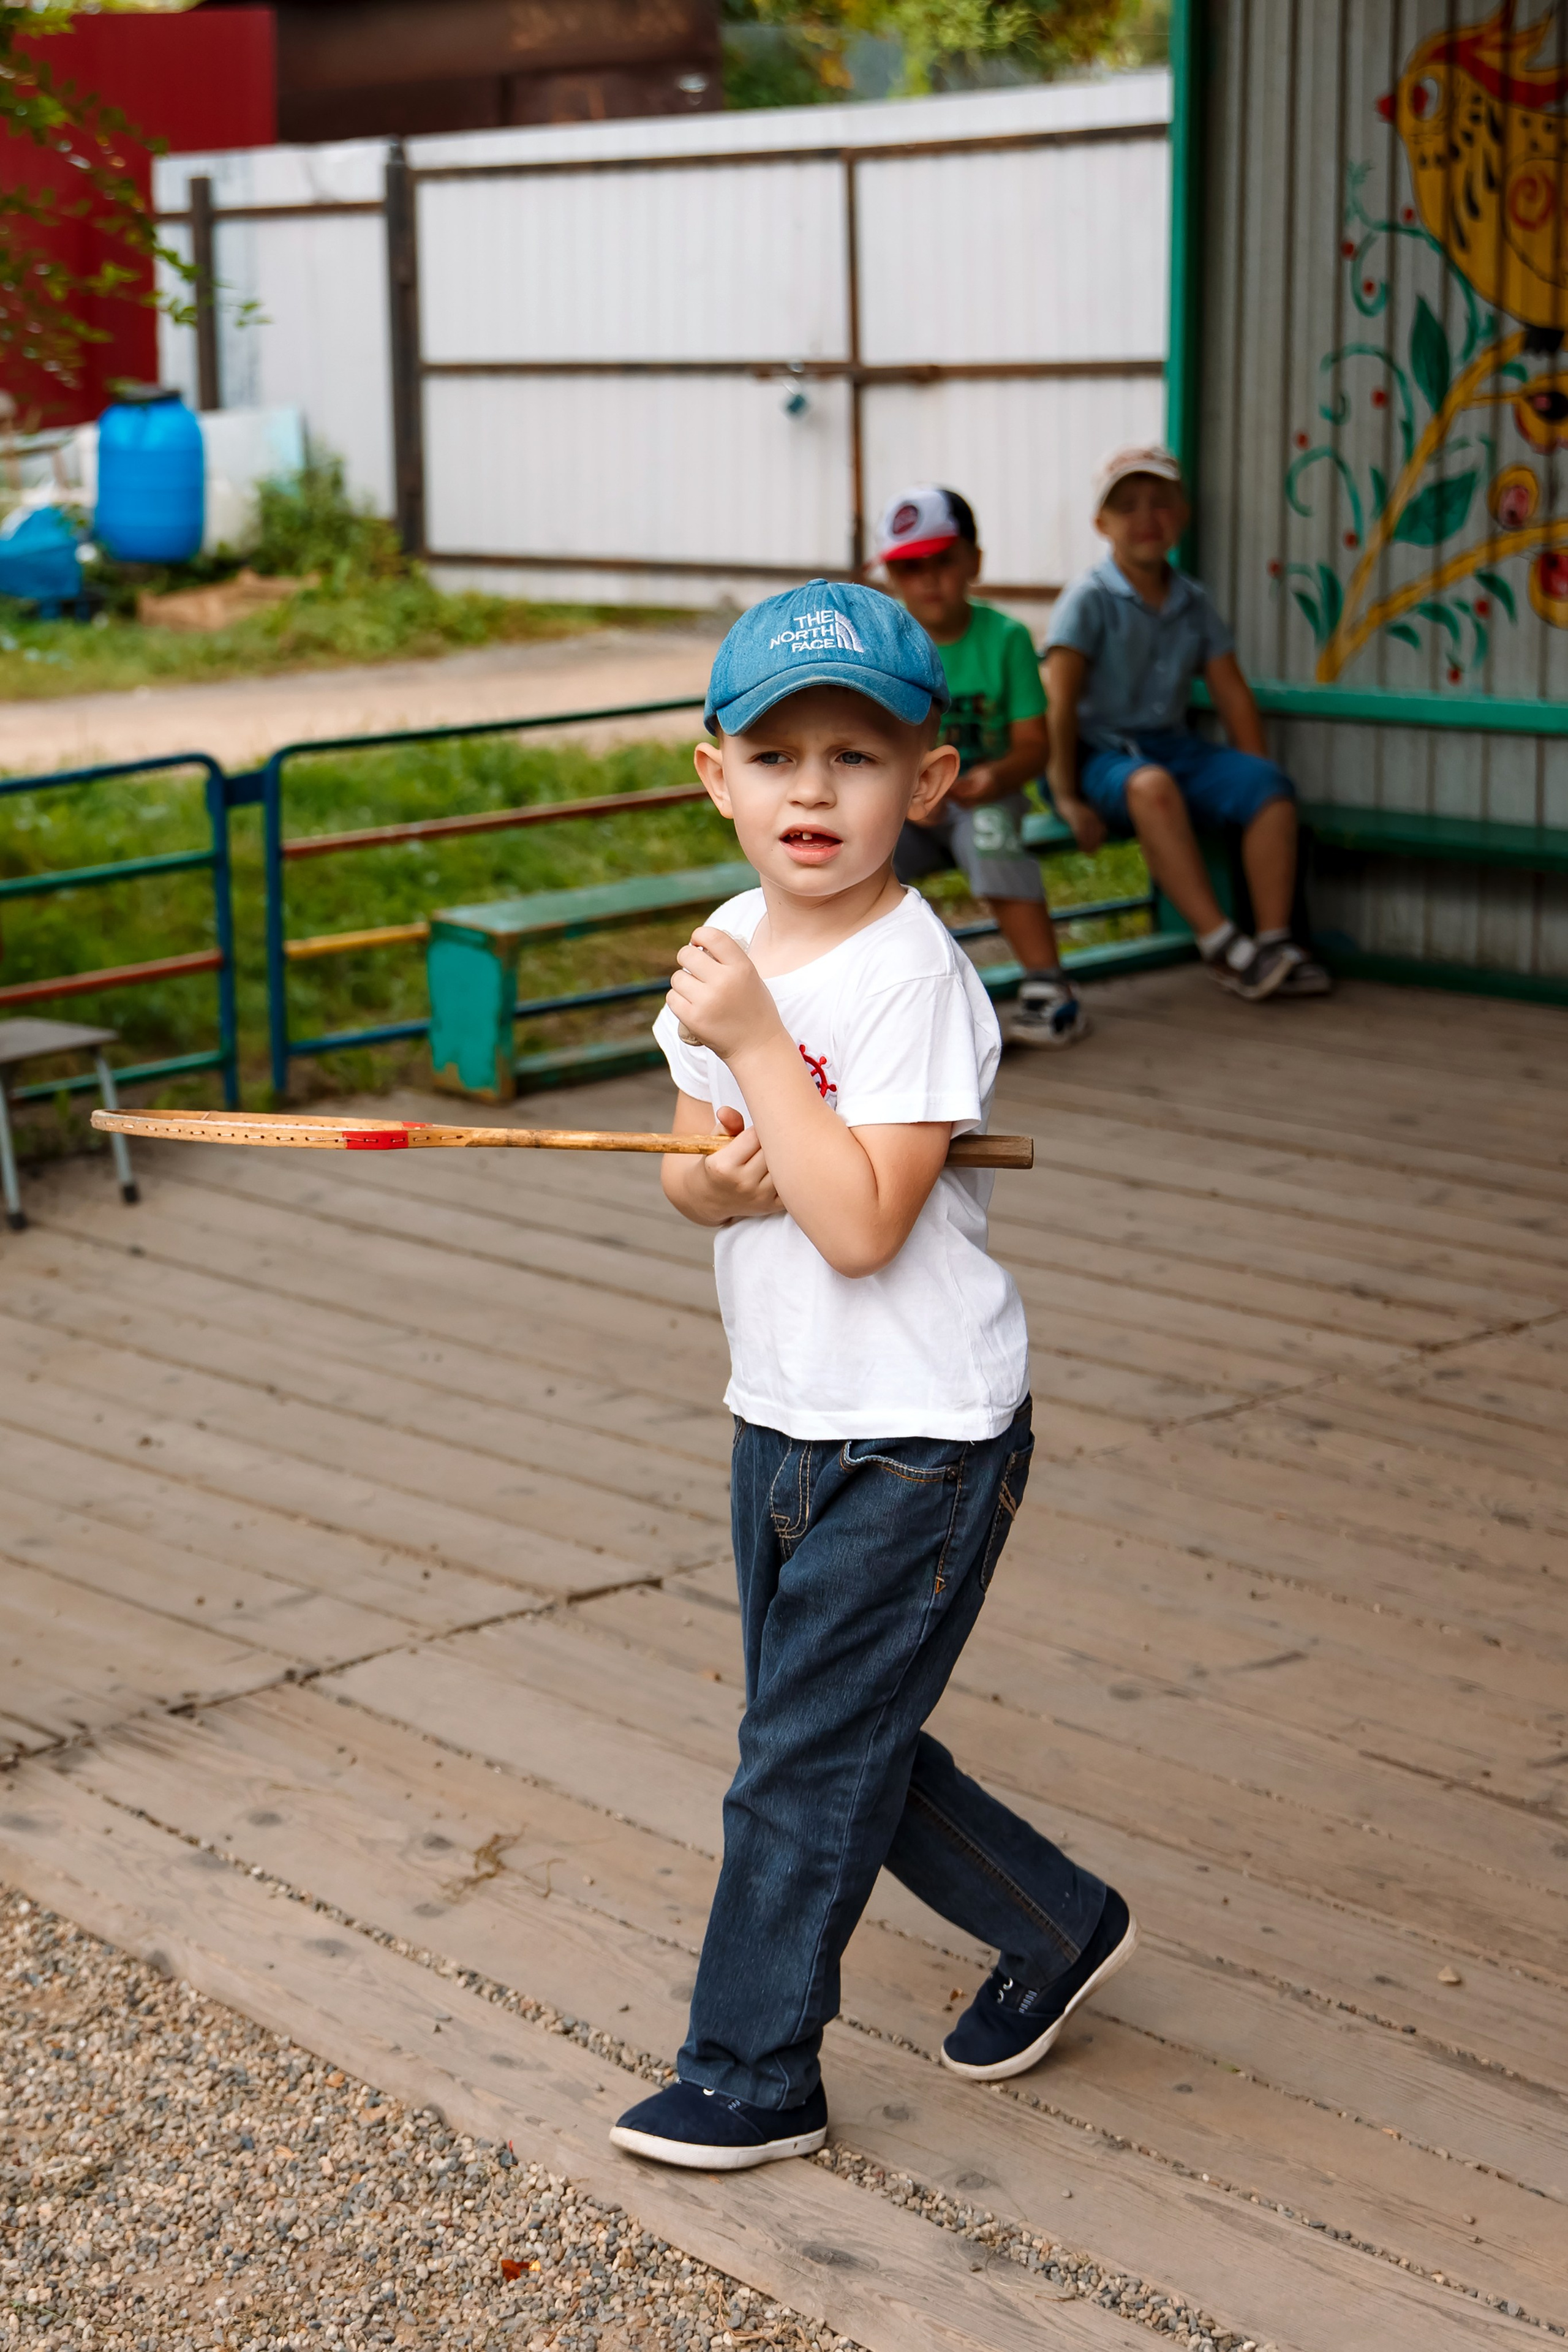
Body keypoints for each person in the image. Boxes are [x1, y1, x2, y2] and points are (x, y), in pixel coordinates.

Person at [608, 579, 1137, 2174]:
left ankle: (754, 2069)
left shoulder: (912, 977)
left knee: (801, 1759)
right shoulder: (724, 955)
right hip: (778, 1413)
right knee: (834, 1737)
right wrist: (716, 1173)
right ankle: (1061, 1921)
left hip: (918, 1434)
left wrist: (769, 1054)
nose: (815, 793)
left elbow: (859, 1227)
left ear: (931, 781)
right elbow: (695, 1169)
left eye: (858, 757)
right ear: (718, 777)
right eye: (778, 758)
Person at [1044, 446, 1331, 1001]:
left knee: (1269, 788)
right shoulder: (1088, 599)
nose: (1146, 518)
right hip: (1099, 756)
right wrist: (1066, 797)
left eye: (1160, 503)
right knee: (1153, 787)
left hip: (1172, 747)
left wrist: (1253, 775)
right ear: (1102, 525)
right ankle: (1222, 944)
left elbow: (1232, 694)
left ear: (1182, 514)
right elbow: (1059, 703)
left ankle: (1273, 943)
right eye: (1127, 507)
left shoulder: (1193, 601)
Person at [877, 485, 1090, 1049]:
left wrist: (994, 777)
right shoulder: (885, 646)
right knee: (861, 854)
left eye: (943, 561)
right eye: (909, 568)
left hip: (985, 794)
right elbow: (870, 745)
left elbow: (1032, 746)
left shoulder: (1006, 639)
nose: (928, 580)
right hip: (907, 802)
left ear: (974, 560)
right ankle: (885, 1006)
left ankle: (1050, 988)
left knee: (991, 839)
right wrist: (907, 799)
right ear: (890, 578)